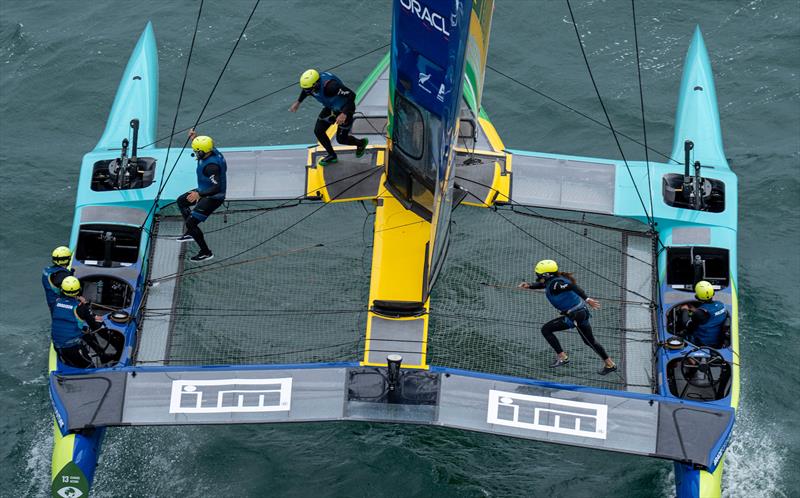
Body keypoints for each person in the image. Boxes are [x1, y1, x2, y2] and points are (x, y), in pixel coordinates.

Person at [519, 259, 617, 375]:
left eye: (539, 273)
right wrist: (529, 286)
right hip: (581, 313)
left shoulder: (557, 284)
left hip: (574, 315)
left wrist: (588, 299)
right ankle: (610, 364)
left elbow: (572, 286)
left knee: (546, 329)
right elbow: (543, 284)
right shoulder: (553, 282)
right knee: (589, 341)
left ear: (546, 274)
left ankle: (562, 357)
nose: (537, 275)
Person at [289, 69, 369, 166]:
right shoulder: (312, 86)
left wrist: (344, 114)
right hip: (331, 108)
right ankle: (332, 155)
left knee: (341, 140)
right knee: (318, 131)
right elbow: (306, 90)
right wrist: (298, 102)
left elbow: (351, 95)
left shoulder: (331, 87)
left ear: (316, 84)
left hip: (345, 109)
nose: (309, 92)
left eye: (310, 90)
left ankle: (361, 143)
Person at [176, 129, 227, 262]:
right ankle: (191, 233)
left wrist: (199, 194)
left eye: (195, 151)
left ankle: (205, 252)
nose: (195, 153)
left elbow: (217, 187)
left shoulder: (211, 166)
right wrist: (194, 138)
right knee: (181, 201)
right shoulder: (211, 150)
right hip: (204, 190)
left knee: (191, 222)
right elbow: (204, 145)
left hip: (213, 196)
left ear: (201, 151)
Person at [51, 276, 105, 368]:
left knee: (84, 330)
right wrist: (100, 322)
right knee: (89, 367)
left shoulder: (56, 303)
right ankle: (102, 355)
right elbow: (95, 326)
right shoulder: (81, 308)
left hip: (57, 346)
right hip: (72, 348)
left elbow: (67, 313)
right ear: (79, 290)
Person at [679, 280, 728, 348]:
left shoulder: (699, 313)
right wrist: (695, 310)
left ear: (697, 296)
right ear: (713, 293)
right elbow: (710, 315)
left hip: (700, 343)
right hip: (718, 342)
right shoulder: (721, 305)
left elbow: (686, 324)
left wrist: (684, 309)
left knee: (682, 332)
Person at [42, 246, 74, 314]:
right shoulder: (63, 275)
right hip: (61, 305)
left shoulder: (47, 270)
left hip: (51, 302)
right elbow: (70, 291)